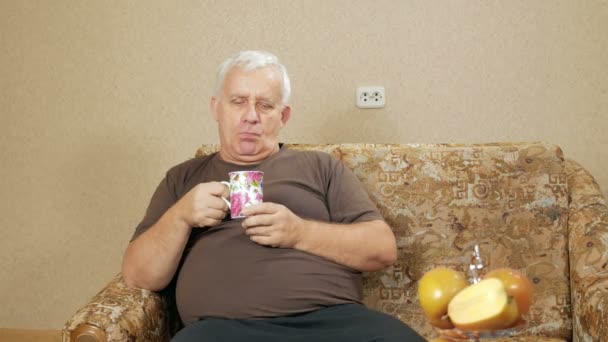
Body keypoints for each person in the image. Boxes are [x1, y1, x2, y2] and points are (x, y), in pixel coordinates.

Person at [121, 50, 425, 341]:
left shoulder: (321, 167)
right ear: (216, 108)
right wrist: (181, 216)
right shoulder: (182, 178)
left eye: (265, 105)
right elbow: (139, 276)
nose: (251, 116)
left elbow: (382, 249)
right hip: (220, 330)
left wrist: (298, 232)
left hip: (334, 323)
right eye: (238, 102)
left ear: (284, 116)